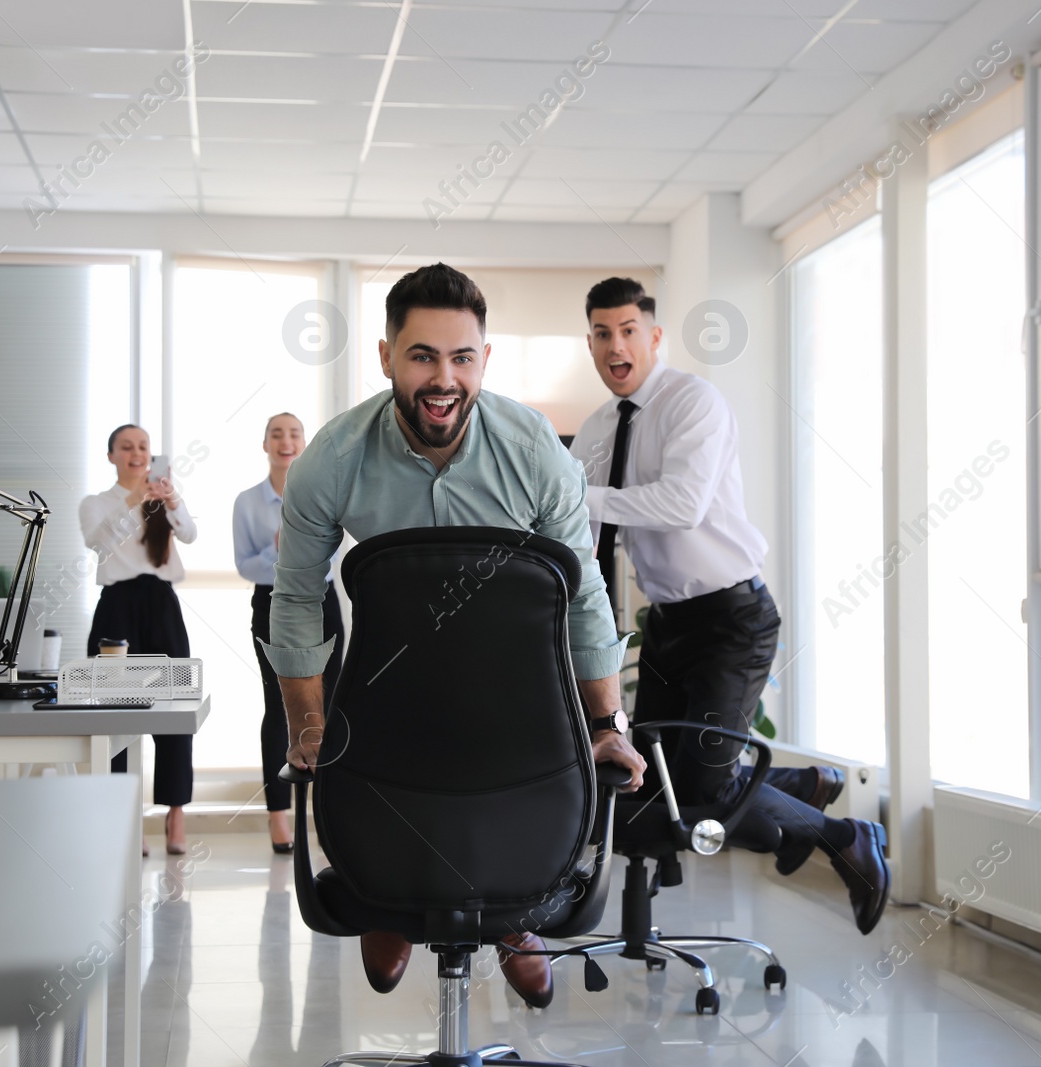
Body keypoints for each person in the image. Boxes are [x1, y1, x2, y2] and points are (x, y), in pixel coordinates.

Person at [261, 262, 647, 1010]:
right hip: (389, 699)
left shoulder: (535, 448)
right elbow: (299, 598)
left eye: (461, 357)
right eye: (422, 356)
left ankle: (512, 916)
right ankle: (393, 893)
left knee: (526, 777)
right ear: (385, 357)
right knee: (376, 782)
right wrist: (307, 724)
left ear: (484, 360)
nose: (444, 378)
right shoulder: (332, 460)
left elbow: (584, 590)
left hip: (515, 696)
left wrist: (606, 723)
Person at [570, 277, 890, 936]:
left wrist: (584, 498)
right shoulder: (599, 428)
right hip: (665, 624)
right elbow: (578, 522)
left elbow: (678, 504)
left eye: (628, 329)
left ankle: (844, 835)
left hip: (730, 620)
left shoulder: (694, 403)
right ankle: (799, 790)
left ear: (653, 336)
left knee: (706, 791)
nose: (615, 345)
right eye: (602, 333)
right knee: (646, 779)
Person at [79, 423, 198, 858]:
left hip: (162, 604)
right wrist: (134, 501)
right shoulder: (95, 504)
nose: (136, 453)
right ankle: (126, 816)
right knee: (115, 714)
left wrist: (172, 500)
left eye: (143, 447)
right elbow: (98, 542)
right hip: (118, 607)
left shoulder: (162, 497)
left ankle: (175, 812)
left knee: (173, 709)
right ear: (111, 455)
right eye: (126, 447)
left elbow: (188, 534)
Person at [233, 412, 345, 856]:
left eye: (294, 433)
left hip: (323, 601)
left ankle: (332, 812)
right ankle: (278, 818)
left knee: (333, 702)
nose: (286, 441)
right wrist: (281, 552)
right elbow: (245, 564)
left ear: (304, 443)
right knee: (277, 707)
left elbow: (335, 559)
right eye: (277, 434)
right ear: (265, 445)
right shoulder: (247, 502)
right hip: (272, 603)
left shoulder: (325, 494)